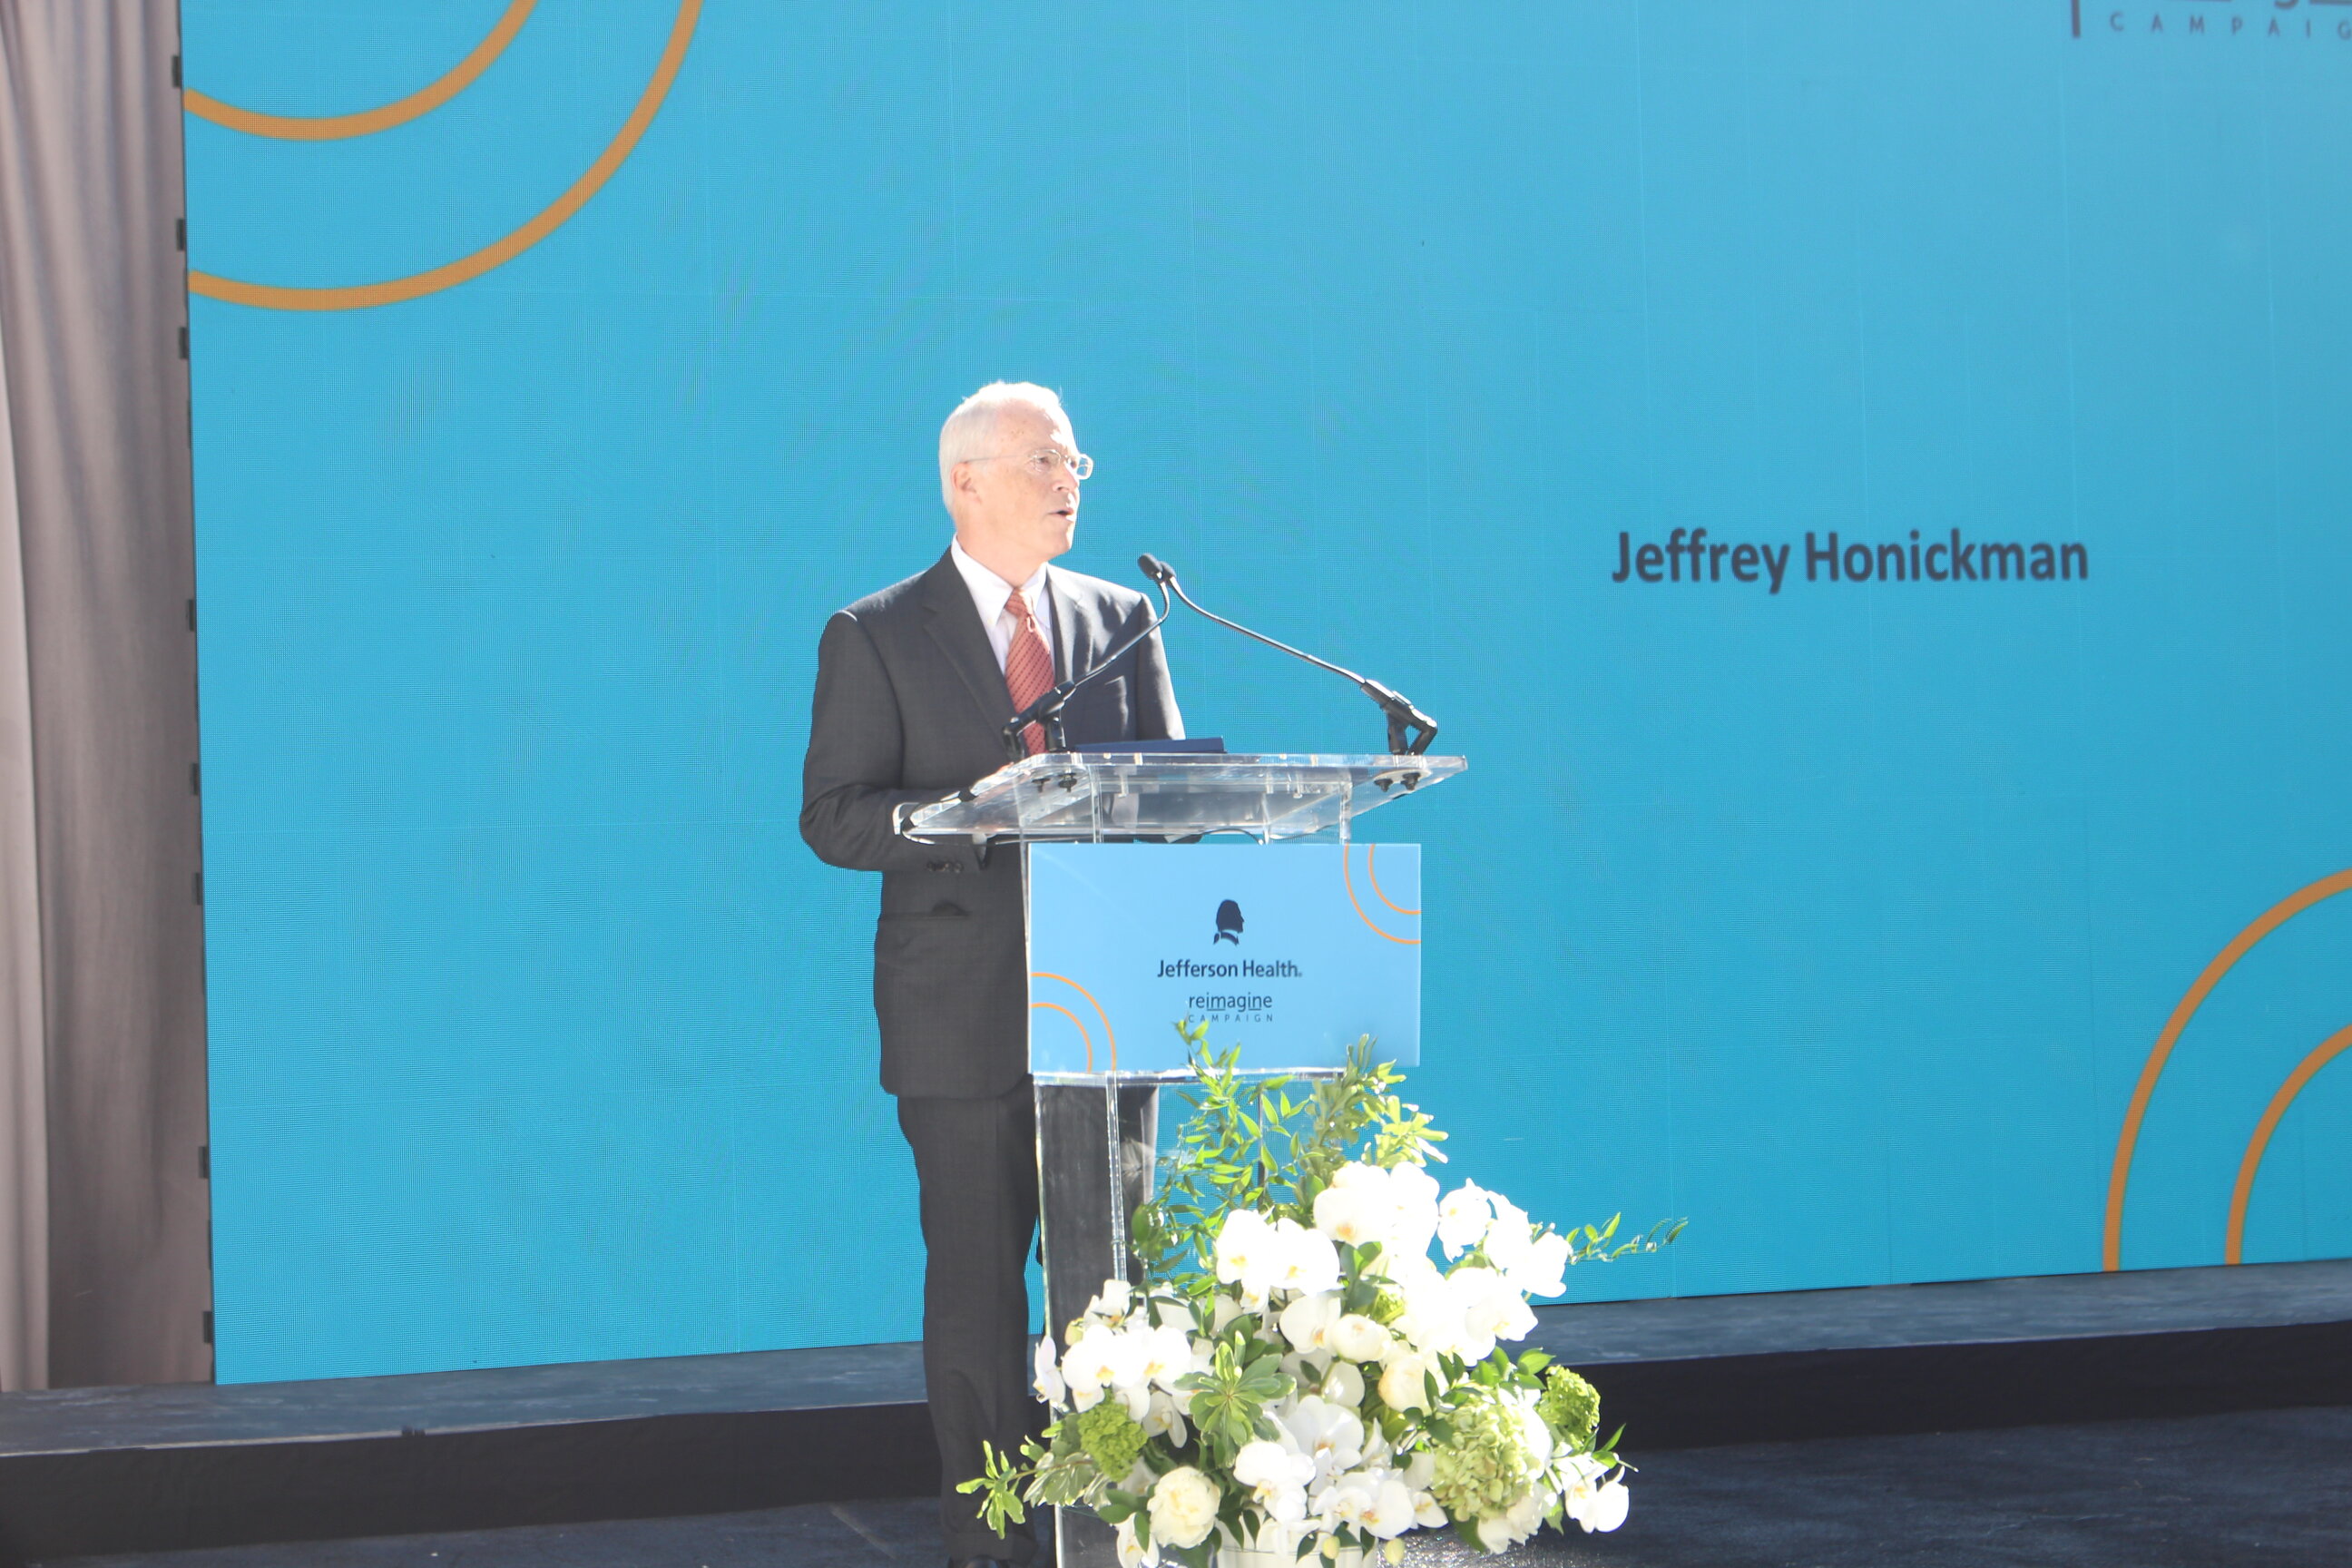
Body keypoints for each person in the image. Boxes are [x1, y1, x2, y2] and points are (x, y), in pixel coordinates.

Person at [799, 382, 1182, 1567]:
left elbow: (1167, 799)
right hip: (958, 1008)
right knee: (976, 1277)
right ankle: (996, 1533)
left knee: (1109, 1276)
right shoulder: (876, 632)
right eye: (1045, 461)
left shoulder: (1124, 619)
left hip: (1110, 997)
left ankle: (1114, 1514)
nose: (1070, 482)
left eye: (1077, 463)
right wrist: (976, 817)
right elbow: (834, 817)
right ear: (966, 480)